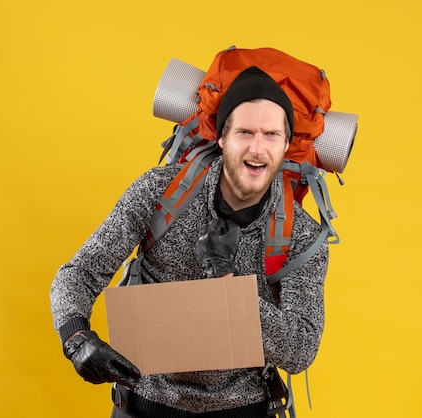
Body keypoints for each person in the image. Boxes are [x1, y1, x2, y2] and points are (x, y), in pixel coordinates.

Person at [50, 66, 329, 418]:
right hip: (145, 402)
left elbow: (299, 349)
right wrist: (76, 338)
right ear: (223, 138)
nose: (258, 149)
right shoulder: (159, 193)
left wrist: (229, 285)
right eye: (245, 132)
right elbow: (79, 272)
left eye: (271, 134)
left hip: (243, 408)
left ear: (286, 145)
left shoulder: (299, 233)